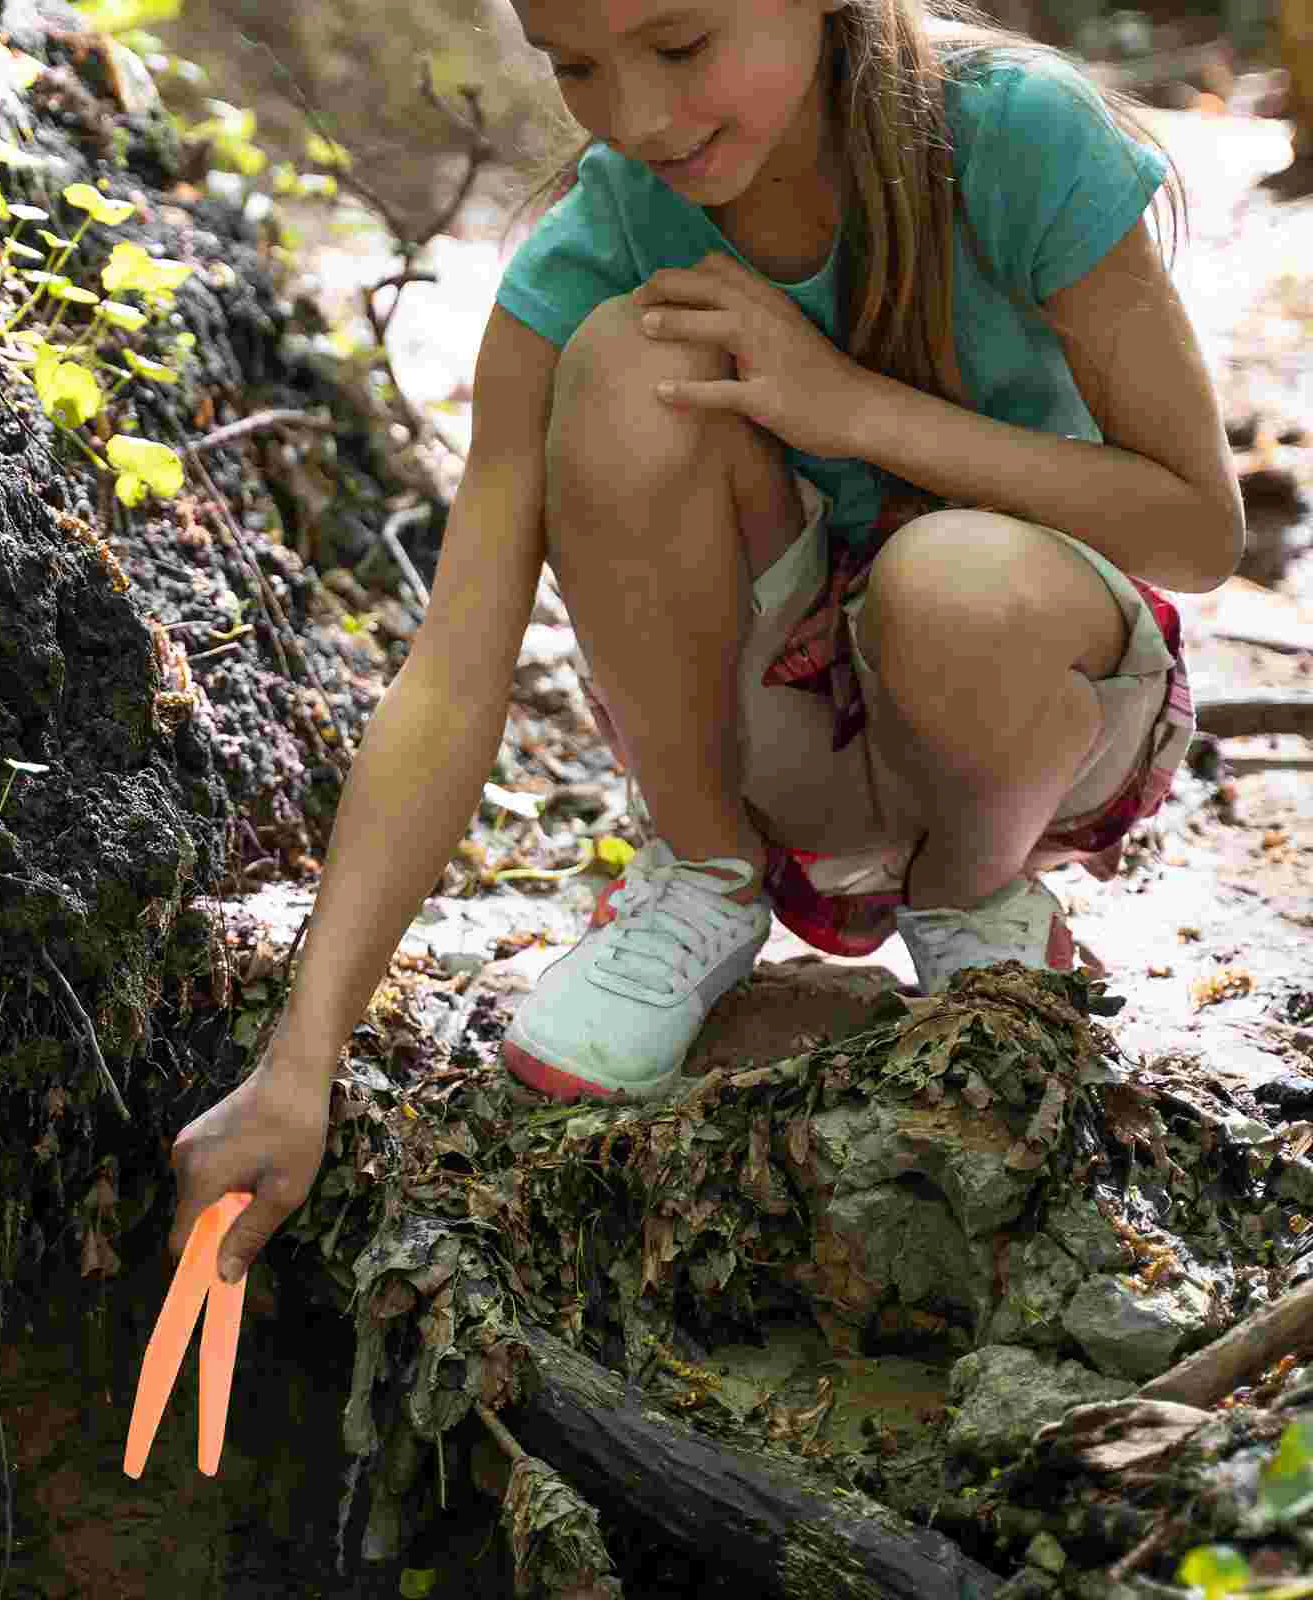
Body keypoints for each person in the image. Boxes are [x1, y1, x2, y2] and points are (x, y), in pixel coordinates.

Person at [170, 0, 1243, 1282]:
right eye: (572, 66)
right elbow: (455, 664)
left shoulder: (1011, 132)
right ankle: (701, 874)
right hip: (782, 739)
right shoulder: (600, 246)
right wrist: (301, 1061)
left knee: (944, 582)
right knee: (629, 362)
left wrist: (850, 409)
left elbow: (1195, 530)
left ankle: (971, 893)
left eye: (679, 48)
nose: (632, 118)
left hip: (1037, 706)